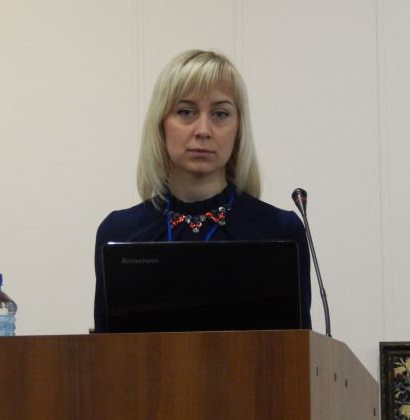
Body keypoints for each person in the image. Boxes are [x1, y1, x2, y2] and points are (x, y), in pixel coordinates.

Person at [93, 49, 311, 333]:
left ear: (239, 128)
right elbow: (106, 353)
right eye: (186, 112)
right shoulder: (119, 233)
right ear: (161, 124)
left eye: (220, 114)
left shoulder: (280, 231)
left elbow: (299, 353)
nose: (204, 130)